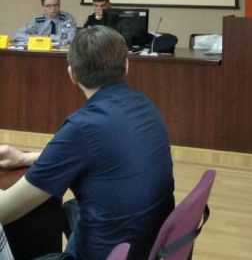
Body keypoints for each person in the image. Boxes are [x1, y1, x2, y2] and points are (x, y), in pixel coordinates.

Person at [0, 26, 174, 260]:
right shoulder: (143, 105)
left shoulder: (82, 128)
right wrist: (25, 158)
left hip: (107, 252)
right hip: (145, 244)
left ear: (72, 74)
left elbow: (4, 211)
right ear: (126, 66)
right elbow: (96, 156)